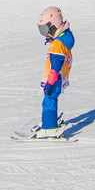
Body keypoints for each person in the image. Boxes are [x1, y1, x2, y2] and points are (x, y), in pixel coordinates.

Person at [32, 7, 74, 139]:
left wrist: (50, 83)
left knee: (48, 100)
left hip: (55, 78)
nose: (45, 34)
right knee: (51, 100)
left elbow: (55, 67)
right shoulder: (63, 39)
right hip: (59, 77)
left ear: (54, 26)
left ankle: (50, 128)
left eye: (45, 30)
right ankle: (49, 121)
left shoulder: (58, 45)